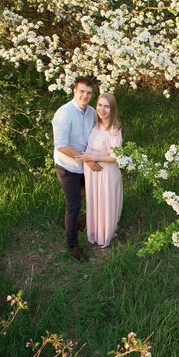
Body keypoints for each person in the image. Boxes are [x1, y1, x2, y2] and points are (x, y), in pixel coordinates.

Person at [52, 77, 102, 260]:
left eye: (89, 93)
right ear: (74, 91)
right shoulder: (63, 114)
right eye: (82, 91)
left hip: (85, 167)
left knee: (86, 196)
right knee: (73, 205)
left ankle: (77, 223)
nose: (85, 95)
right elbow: (61, 146)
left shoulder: (90, 112)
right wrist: (87, 160)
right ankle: (72, 244)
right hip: (68, 166)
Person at [76, 93, 123, 248]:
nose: (102, 110)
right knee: (94, 201)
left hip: (105, 172)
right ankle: (95, 231)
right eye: (100, 105)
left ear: (113, 109)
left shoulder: (114, 130)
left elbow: (115, 157)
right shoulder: (96, 124)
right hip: (92, 173)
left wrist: (93, 158)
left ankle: (105, 234)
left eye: (107, 106)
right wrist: (88, 159)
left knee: (105, 202)